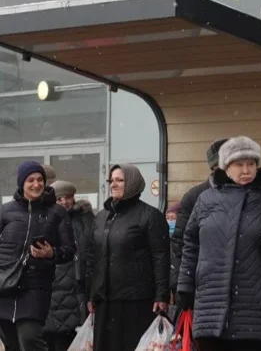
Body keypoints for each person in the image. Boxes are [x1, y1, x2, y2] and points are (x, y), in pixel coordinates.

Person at [176, 136, 261, 351]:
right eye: (239, 164)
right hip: (211, 308)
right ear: (225, 167)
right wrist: (185, 286)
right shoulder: (206, 199)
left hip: (257, 308)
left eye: (251, 163)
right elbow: (191, 244)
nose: (246, 170)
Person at [0, 161, 75, 351]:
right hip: (1, 286)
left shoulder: (57, 213)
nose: (36, 184)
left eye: (40, 180)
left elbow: (69, 250)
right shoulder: (5, 211)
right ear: (22, 183)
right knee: (7, 343)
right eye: (30, 180)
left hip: (35, 287)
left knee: (29, 338)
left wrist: (51, 252)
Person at [87, 164, 169, 351]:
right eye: (111, 180)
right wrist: (90, 294)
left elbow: (160, 257)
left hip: (136, 300)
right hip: (104, 300)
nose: (113, 184)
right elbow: (92, 257)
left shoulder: (150, 216)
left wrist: (161, 295)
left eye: (119, 180)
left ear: (132, 183)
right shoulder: (101, 217)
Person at [44, 180, 94, 351]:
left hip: (77, 287)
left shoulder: (85, 220)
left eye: (68, 197)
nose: (64, 202)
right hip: (55, 288)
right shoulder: (47, 220)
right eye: (59, 199)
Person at [170, 138, 226, 293]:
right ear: (214, 167)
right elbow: (181, 243)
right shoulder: (195, 196)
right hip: (205, 282)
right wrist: (184, 284)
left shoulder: (252, 194)